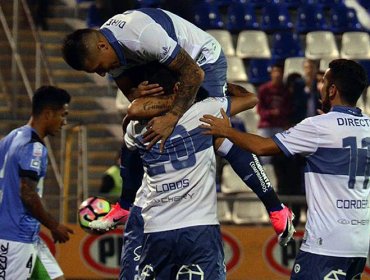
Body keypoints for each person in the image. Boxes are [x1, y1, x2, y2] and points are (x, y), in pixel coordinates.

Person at [62, 11, 293, 241]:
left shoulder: (141, 35)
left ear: (103, 46)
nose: (103, 74)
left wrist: (172, 116)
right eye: (96, 72)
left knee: (215, 131)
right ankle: (124, 206)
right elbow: (131, 96)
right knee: (134, 126)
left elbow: (194, 73)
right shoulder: (106, 49)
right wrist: (138, 95)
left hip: (201, 61)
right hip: (164, 65)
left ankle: (275, 208)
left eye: (99, 67)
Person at [200, 58, 370, 279]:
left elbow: (262, 148)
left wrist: (227, 131)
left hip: (325, 244)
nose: (321, 87)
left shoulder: (317, 126)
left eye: (324, 81)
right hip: (358, 244)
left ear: (332, 90)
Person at [123, 65, 262, 279]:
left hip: (156, 227)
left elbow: (129, 136)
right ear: (179, 87)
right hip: (198, 226)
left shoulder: (135, 128)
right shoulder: (204, 111)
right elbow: (251, 99)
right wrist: (210, 86)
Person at [0, 85, 74, 279]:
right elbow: (28, 193)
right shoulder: (34, 148)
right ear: (48, 114)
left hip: (28, 235)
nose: (64, 122)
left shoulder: (12, 137)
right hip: (14, 238)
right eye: (62, 115)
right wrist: (54, 225)